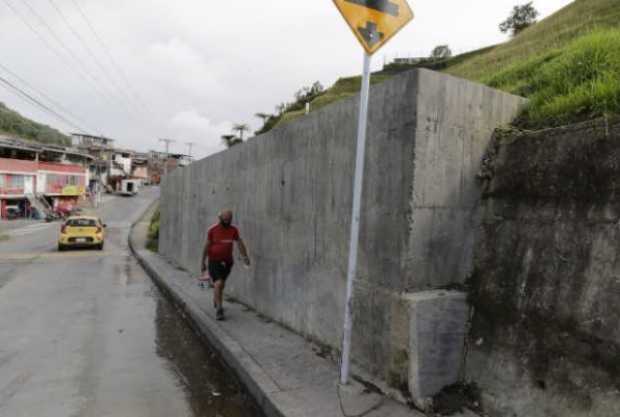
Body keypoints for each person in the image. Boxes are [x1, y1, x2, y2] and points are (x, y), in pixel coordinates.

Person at [201, 210, 250, 320]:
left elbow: (239, 243)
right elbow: (206, 247)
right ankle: (219, 309)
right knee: (218, 283)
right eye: (225, 219)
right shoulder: (212, 230)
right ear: (220, 218)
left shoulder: (233, 230)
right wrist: (202, 262)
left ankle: (216, 297)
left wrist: (245, 257)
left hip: (228, 262)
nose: (227, 221)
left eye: (229, 219)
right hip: (214, 261)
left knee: (221, 284)